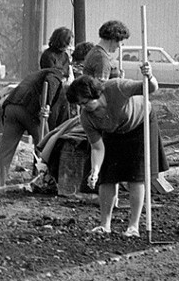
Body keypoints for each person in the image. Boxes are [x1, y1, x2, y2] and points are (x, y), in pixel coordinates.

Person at [66, 62, 168, 236]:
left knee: (135, 176)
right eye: (80, 105)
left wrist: (149, 75)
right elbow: (97, 148)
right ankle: (105, 225)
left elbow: (150, 88)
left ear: (94, 94)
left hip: (140, 124)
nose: (83, 107)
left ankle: (133, 226)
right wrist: (95, 171)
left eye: (85, 102)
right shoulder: (87, 118)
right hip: (113, 131)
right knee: (107, 177)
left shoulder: (117, 87)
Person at [0, 65, 69, 187]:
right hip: (28, 111)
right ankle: (43, 183)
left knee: (5, 152)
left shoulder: (35, 75)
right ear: (64, 76)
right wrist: (47, 105)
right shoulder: (55, 74)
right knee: (45, 147)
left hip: (11, 108)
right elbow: (51, 81)